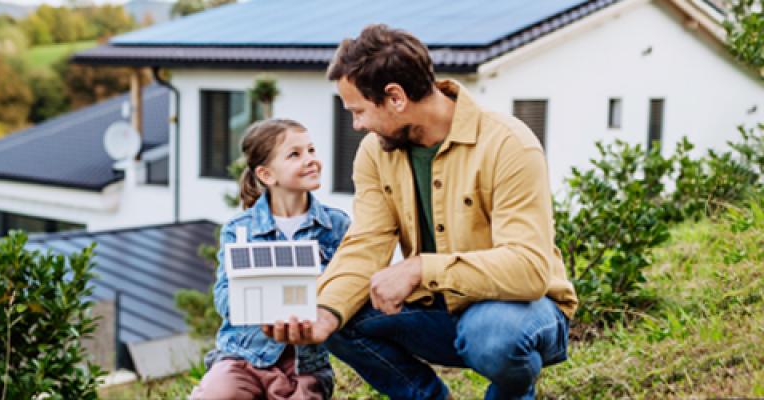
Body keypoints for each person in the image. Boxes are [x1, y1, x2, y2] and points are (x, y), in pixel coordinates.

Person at [263, 25, 579, 400]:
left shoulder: (509, 144)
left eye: (359, 110)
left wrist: (420, 268)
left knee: (493, 334)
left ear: (395, 97)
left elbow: (528, 270)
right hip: (439, 312)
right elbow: (366, 243)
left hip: (523, 313)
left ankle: (512, 393)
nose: (357, 124)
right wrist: (325, 312)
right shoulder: (375, 153)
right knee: (340, 314)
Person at [190, 118, 350, 400]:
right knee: (216, 393)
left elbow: (347, 287)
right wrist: (265, 297)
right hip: (242, 356)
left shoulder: (336, 225)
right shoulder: (239, 229)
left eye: (311, 150)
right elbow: (224, 297)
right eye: (295, 154)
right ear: (266, 175)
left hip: (304, 366)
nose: (311, 160)